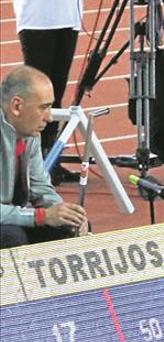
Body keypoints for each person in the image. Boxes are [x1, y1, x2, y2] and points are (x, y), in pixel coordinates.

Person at [1, 66, 88, 249]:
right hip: (7, 224)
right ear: (17, 106)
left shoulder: (29, 133)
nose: (49, 118)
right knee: (11, 237)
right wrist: (40, 216)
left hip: (11, 216)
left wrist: (66, 213)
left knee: (67, 228)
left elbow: (40, 186)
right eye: (44, 107)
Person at [13, 0, 84, 184]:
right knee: (37, 94)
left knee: (56, 93)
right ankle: (29, 163)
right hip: (37, 18)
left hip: (69, 16)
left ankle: (50, 157)